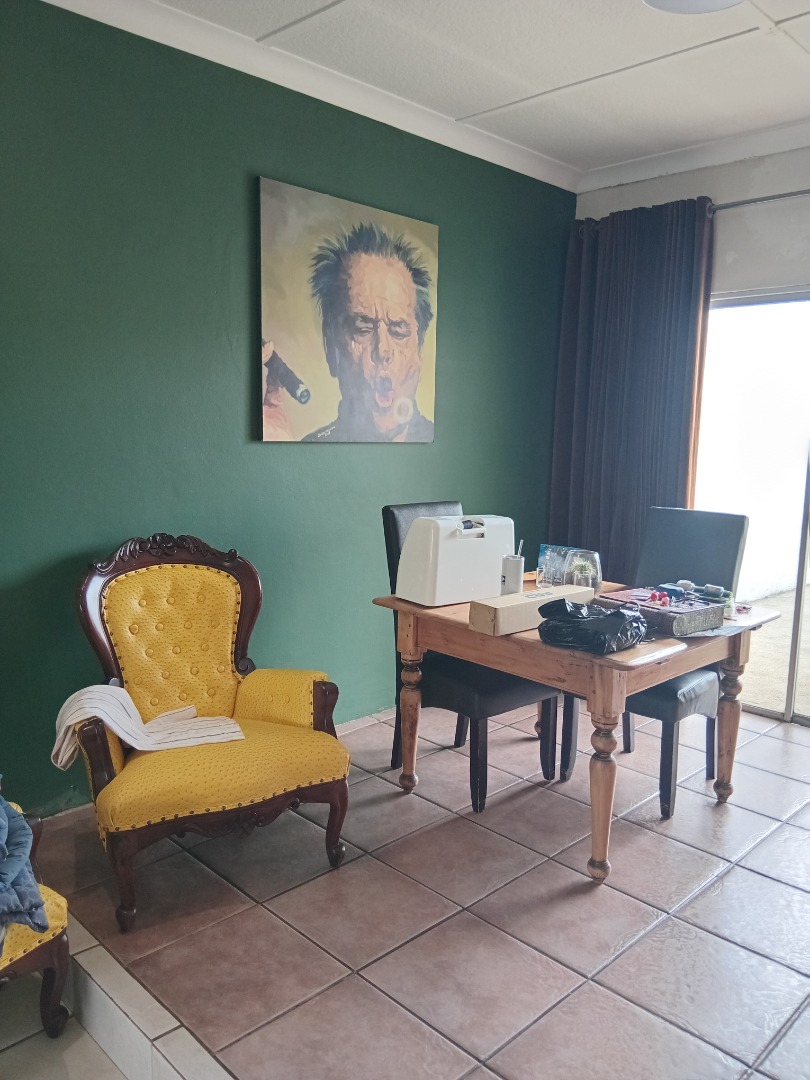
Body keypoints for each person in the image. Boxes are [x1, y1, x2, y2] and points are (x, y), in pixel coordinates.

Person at [303, 222, 435, 442]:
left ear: (419, 351)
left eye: (398, 332)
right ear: (331, 346)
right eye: (362, 329)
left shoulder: (447, 447)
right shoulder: (308, 451)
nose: (382, 350)